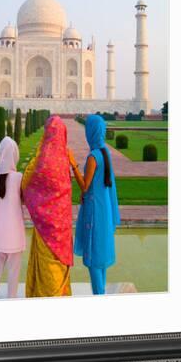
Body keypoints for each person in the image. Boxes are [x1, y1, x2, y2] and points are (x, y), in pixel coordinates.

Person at [69, 114, 121, 295]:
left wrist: (73, 165)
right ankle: (102, 293)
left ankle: (99, 298)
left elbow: (85, 186)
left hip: (95, 211)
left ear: (91, 132)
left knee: (93, 260)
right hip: (104, 208)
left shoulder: (93, 157)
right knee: (101, 260)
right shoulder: (105, 152)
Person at [22, 115, 73, 297]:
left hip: (44, 227)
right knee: (58, 267)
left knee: (45, 267)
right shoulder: (64, 160)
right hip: (62, 229)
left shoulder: (40, 162)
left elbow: (26, 185)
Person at [0, 136, 25, 299]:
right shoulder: (18, 177)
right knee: (13, 272)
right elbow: (24, 200)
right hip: (14, 233)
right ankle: (11, 300)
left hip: (0, 231)